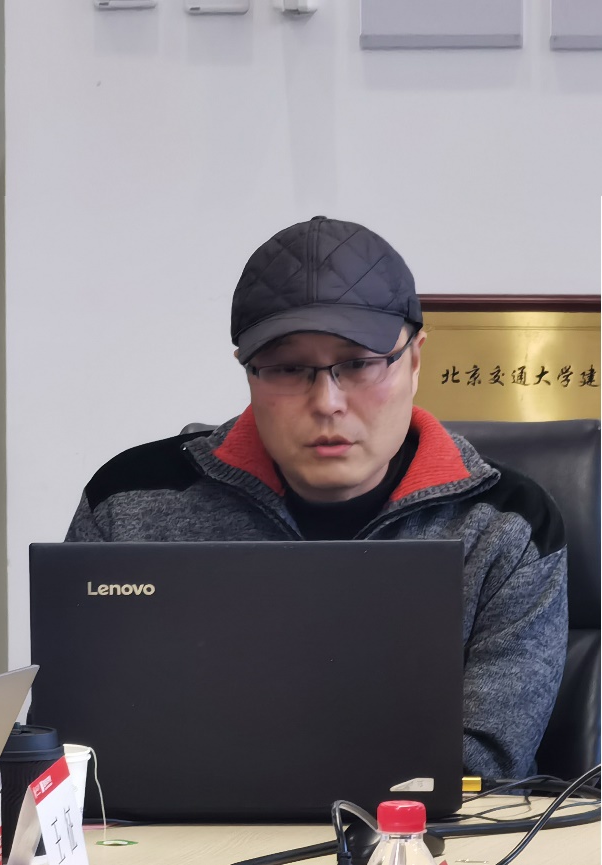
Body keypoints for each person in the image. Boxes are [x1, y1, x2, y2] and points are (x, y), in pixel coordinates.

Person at [66, 216, 568, 780]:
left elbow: (483, 768)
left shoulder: (508, 524)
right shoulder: (127, 503)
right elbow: (80, 748)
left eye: (358, 363)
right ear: (248, 373)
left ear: (415, 360)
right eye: (288, 368)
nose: (327, 401)